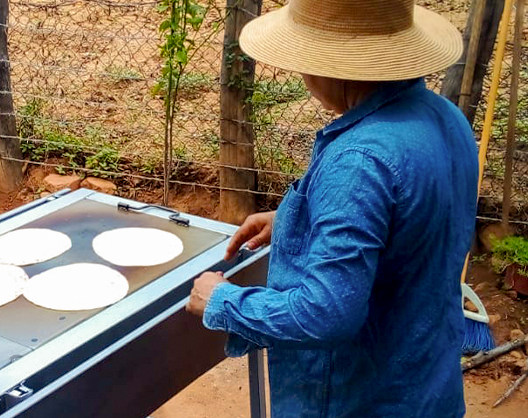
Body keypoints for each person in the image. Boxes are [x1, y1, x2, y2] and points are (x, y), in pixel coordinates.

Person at [184, 0, 476, 416]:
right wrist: (295, 221)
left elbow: (323, 315)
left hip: (359, 398)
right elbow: (410, 225)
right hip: (426, 384)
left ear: (332, 66)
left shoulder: (360, 161)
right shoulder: (446, 118)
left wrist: (223, 301)